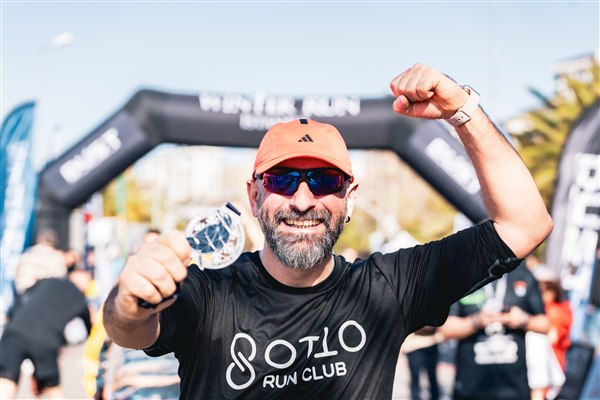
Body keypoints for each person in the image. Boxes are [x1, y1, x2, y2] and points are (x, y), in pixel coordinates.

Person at [102, 63, 553, 398]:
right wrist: (129, 302)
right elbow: (131, 330)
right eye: (282, 180)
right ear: (254, 196)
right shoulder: (210, 291)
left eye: (324, 181)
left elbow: (526, 224)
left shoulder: (390, 287)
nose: (302, 201)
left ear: (350, 197)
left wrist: (463, 111)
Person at [84, 228, 180, 399]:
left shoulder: (184, 295)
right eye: (148, 246)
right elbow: (102, 344)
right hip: (130, 390)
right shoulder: (121, 298)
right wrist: (98, 385)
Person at [438, 263, 550, 400]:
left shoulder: (522, 273)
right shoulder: (463, 273)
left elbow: (545, 325)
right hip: (470, 388)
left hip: (514, 388)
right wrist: (476, 321)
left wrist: (523, 320)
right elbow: (444, 330)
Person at [0, 269, 92, 399]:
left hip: (16, 332)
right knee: (52, 388)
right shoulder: (79, 299)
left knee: (6, 381)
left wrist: (13, 321)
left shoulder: (48, 281)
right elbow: (88, 327)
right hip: (46, 342)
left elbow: (21, 298)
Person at [12, 228, 67, 296]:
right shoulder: (56, 257)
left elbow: (17, 273)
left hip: (26, 293)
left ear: (38, 240)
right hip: (46, 295)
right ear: (54, 242)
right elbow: (61, 277)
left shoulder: (27, 253)